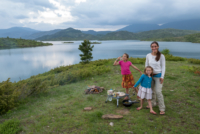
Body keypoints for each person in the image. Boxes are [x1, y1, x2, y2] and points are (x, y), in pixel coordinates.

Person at [145, 41, 166, 115]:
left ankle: (162, 108)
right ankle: (153, 103)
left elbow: (163, 66)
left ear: (158, 47)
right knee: (151, 91)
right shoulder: (148, 55)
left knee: (158, 92)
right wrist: (146, 75)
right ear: (151, 47)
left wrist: (162, 76)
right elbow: (146, 66)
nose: (154, 48)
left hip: (158, 76)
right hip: (150, 76)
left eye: (155, 46)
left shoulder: (161, 56)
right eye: (152, 46)